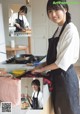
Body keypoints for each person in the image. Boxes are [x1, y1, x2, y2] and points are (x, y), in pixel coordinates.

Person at [32, 0, 80, 114]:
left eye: (56, 9)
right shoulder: (59, 29)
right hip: (58, 77)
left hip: (66, 78)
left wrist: (42, 69)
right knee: (59, 109)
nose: (53, 14)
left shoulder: (70, 30)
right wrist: (41, 65)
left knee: (69, 110)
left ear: (65, 9)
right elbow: (55, 57)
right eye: (50, 11)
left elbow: (61, 62)